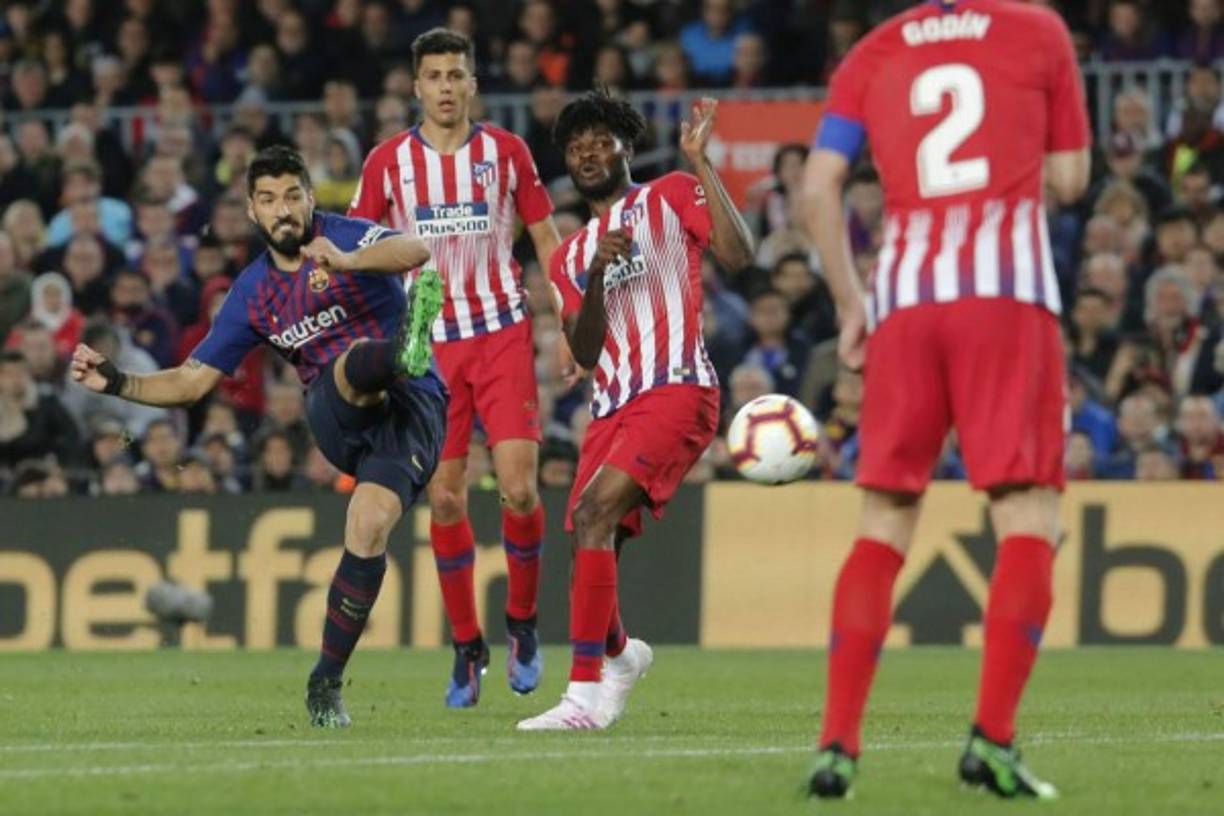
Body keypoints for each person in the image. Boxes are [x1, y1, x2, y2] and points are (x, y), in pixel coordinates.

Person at [802, 0, 1090, 800]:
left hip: (905, 303)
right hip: (1006, 297)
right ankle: (992, 740)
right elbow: (1069, 177)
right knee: (1029, 518)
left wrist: (851, 303)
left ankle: (837, 749)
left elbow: (819, 189)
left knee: (885, 523)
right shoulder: (1038, 30)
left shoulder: (871, 51)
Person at [69, 145, 448, 729]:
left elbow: (417, 250)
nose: (283, 210)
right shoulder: (252, 292)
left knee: (369, 526)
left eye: (292, 196)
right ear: (252, 210)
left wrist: (347, 262)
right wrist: (116, 381)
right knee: (349, 363)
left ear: (308, 197)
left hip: (413, 410)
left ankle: (324, 682)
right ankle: (398, 352)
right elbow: (193, 382)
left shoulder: (344, 235)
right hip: (336, 407)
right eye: (268, 200)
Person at [517, 90, 753, 730]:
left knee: (594, 513)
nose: (588, 153)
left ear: (627, 147)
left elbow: (738, 255)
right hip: (612, 404)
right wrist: (594, 272)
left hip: (676, 388)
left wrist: (703, 164)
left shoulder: (671, 194)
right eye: (576, 146)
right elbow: (586, 349)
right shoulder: (567, 256)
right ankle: (620, 655)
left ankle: (582, 698)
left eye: (601, 141)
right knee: (592, 537)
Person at [349, 28, 561, 708]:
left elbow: (546, 237)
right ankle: (467, 647)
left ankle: (522, 626)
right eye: (433, 75)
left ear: (473, 84)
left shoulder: (506, 153)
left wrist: (571, 318)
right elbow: (361, 246)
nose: (445, 86)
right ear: (416, 87)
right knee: (444, 496)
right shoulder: (388, 163)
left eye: (455, 74)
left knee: (521, 490)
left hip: (501, 334)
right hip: (427, 349)